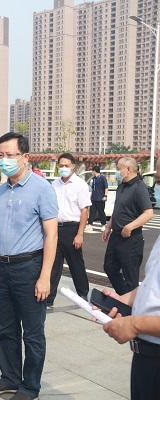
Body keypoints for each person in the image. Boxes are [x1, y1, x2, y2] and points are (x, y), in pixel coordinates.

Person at [0, 132, 58, 400]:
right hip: (4, 266)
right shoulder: (2, 189)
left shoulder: (42, 188)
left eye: (10, 155)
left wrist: (45, 276)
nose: (4, 160)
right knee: (6, 328)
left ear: (25, 157)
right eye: (0, 155)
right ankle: (10, 378)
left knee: (33, 333)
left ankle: (30, 386)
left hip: (29, 267)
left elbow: (51, 235)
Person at [94, 161, 160, 399]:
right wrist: (125, 299)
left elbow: (147, 212)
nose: (156, 187)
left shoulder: (139, 188)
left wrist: (134, 324)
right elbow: (153, 285)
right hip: (145, 353)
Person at [102, 157, 153, 295]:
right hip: (116, 236)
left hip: (131, 238)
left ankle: (130, 304)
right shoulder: (122, 186)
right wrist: (108, 227)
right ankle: (124, 297)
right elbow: (118, 209)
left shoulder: (139, 188)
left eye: (119, 169)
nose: (117, 172)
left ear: (128, 169)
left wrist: (130, 226)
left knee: (130, 276)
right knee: (109, 268)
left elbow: (148, 213)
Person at [47, 153, 91, 308]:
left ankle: (83, 293)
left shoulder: (80, 185)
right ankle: (49, 297)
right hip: (55, 228)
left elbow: (85, 210)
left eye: (66, 165)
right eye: (61, 165)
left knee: (75, 263)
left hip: (72, 228)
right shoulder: (54, 184)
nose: (63, 168)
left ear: (73, 166)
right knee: (53, 263)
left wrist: (80, 234)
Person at [84, 166, 108, 232]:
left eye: (92, 171)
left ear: (94, 171)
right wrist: (91, 196)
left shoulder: (102, 178)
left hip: (100, 198)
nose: (92, 172)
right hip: (93, 198)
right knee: (92, 212)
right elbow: (93, 188)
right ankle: (90, 225)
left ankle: (104, 224)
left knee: (101, 212)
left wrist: (105, 196)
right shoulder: (94, 178)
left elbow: (106, 187)